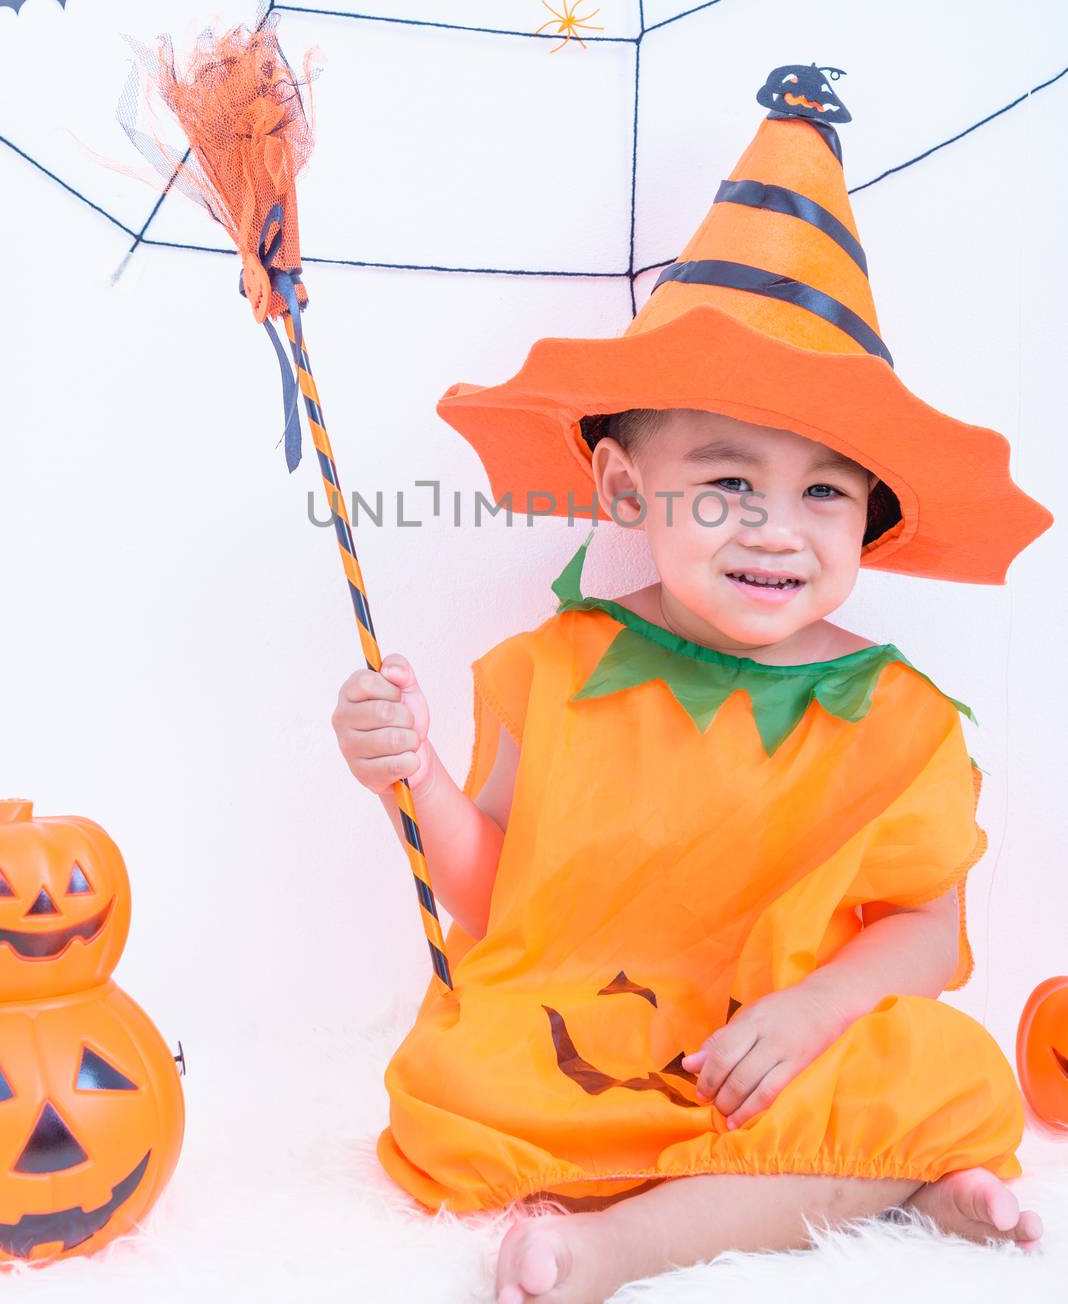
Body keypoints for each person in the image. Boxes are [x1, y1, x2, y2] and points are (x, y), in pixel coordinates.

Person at [332, 66, 1053, 1303]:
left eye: (824, 490)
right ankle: (883, 1180)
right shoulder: (561, 673)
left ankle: (623, 1242)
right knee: (453, 1089)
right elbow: (500, 896)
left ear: (870, 516)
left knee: (946, 1064)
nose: (779, 529)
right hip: (593, 1029)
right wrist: (414, 778)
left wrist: (817, 1008)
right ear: (623, 490)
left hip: (789, 1037)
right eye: (727, 482)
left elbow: (928, 935)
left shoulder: (899, 718)